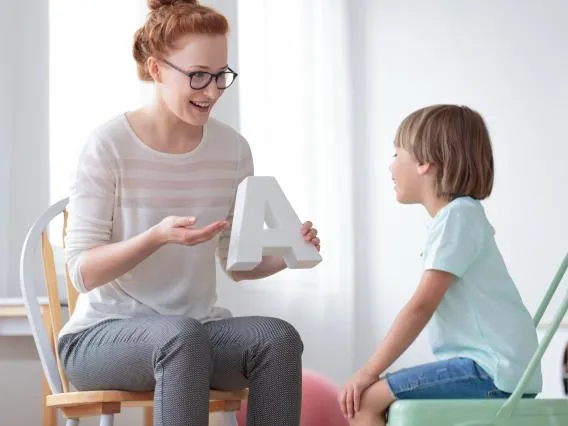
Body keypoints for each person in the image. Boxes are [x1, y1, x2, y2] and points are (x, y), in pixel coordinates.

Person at [57, 1, 321, 425]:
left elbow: (236, 263)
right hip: (102, 337)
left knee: (277, 339)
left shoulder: (233, 150)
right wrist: (155, 237)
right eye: (198, 75)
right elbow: (81, 272)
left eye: (221, 76)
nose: (213, 91)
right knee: (181, 336)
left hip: (194, 332)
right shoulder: (108, 145)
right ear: (156, 68)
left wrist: (289, 254)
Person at [339, 105, 541, 425]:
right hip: (501, 370)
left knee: (365, 400)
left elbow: (421, 306)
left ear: (424, 162)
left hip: (489, 371)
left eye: (396, 154)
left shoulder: (457, 217)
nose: (390, 167)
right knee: (382, 401)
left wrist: (368, 371)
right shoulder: (460, 217)